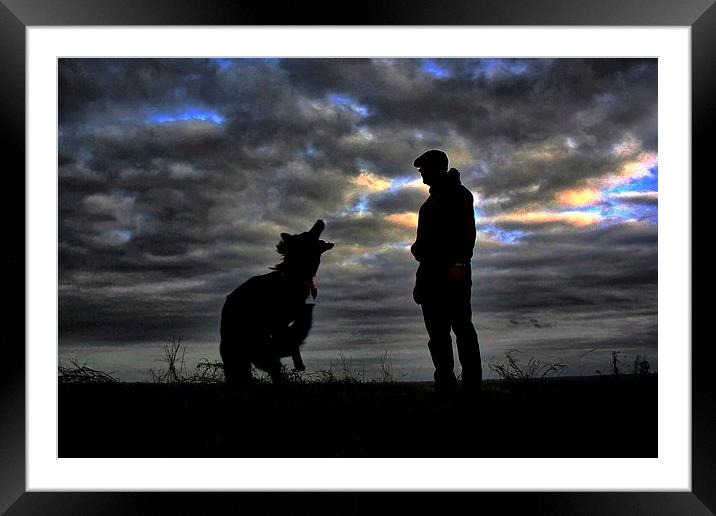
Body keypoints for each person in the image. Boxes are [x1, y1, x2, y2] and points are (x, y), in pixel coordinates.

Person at [410, 149, 482, 393]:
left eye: (424, 167)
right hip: (430, 277)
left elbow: (466, 235)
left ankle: (472, 387)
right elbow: (422, 247)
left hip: (453, 275)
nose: (420, 172)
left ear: (438, 168)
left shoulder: (459, 195)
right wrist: (420, 277)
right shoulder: (428, 204)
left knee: (462, 329)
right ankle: (445, 385)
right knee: (438, 335)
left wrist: (460, 265)